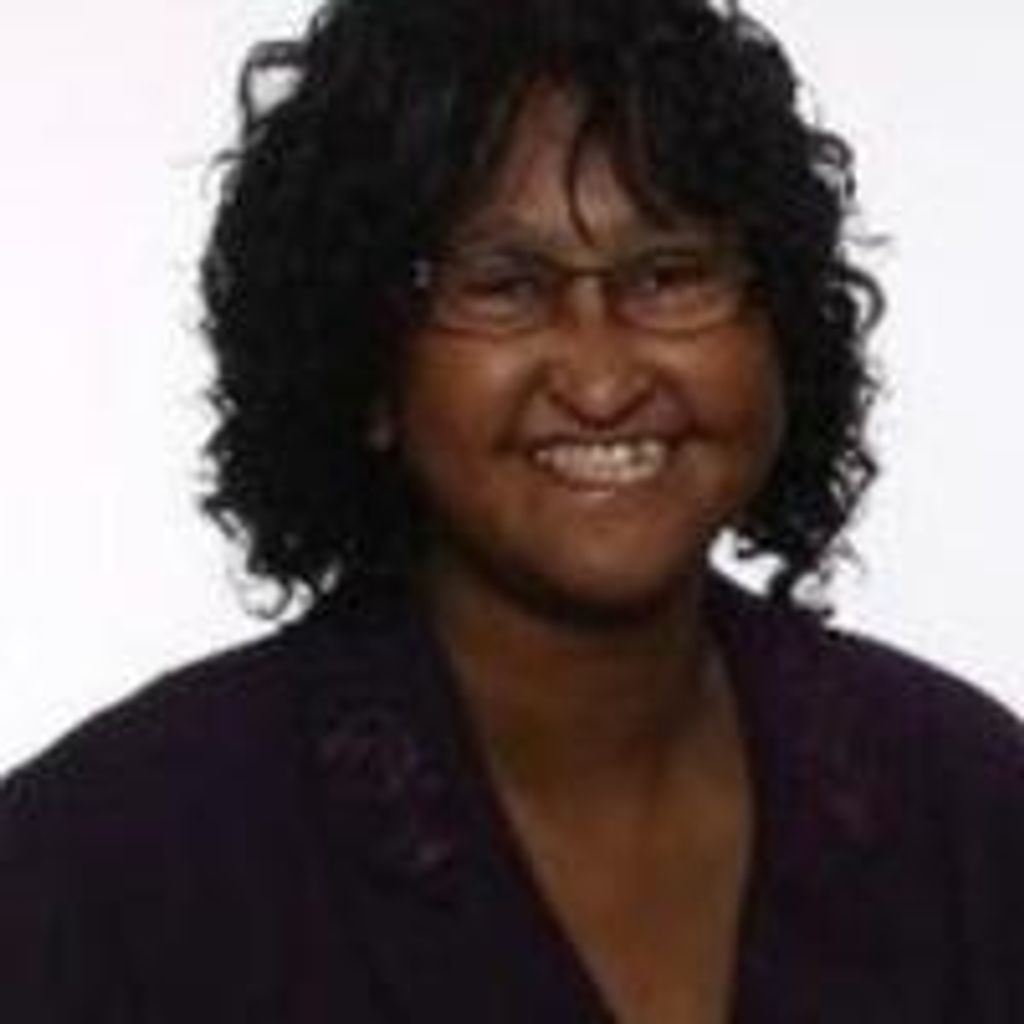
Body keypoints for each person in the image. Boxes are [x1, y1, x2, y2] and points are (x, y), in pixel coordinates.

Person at [2, 0, 1022, 1020]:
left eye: (669, 276)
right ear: (368, 366)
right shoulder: (106, 868)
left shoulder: (971, 806)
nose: (601, 379)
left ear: (779, 332)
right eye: (502, 286)